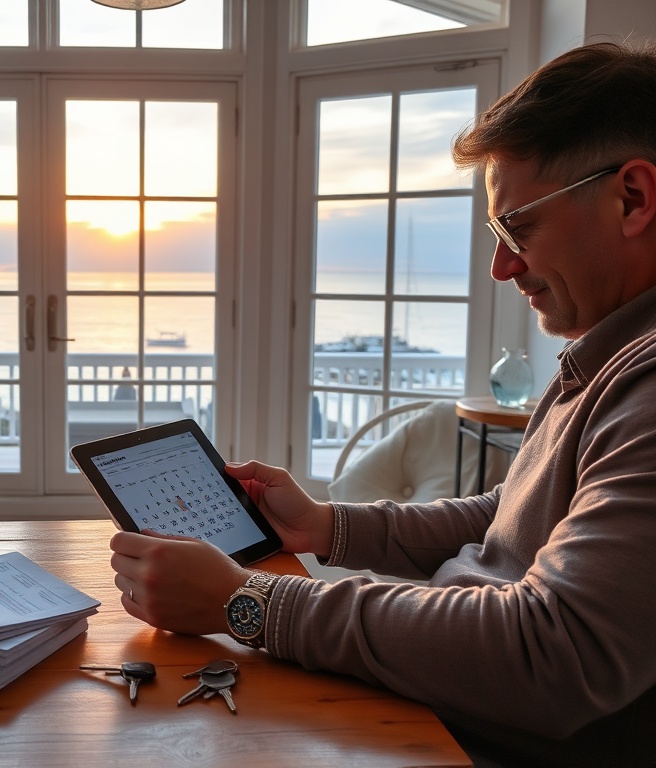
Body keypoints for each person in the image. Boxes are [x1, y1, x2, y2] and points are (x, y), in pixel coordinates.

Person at [109, 41, 656, 766]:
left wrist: (247, 604)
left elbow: (552, 654)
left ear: (633, 198)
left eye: (518, 226)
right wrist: (326, 525)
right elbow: (511, 516)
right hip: (438, 706)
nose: (502, 267)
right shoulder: (606, 353)